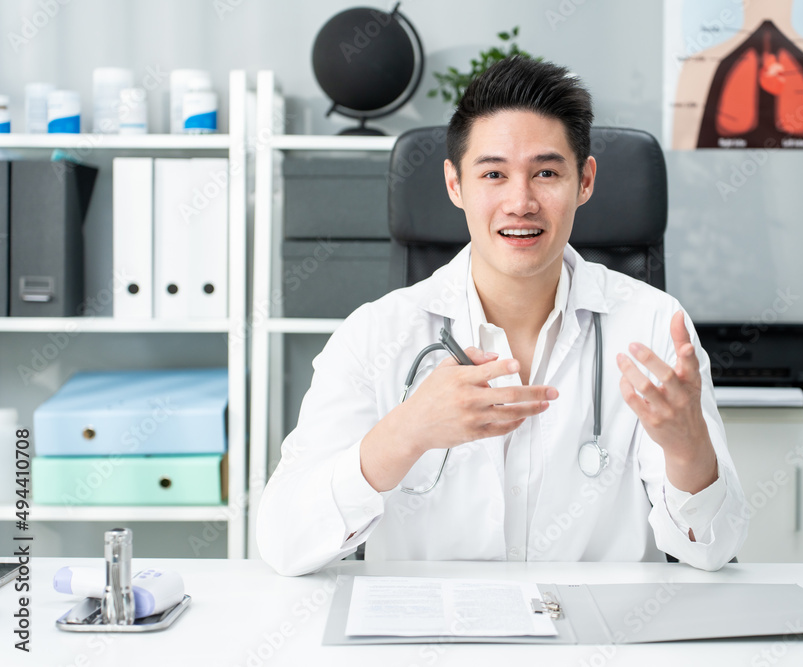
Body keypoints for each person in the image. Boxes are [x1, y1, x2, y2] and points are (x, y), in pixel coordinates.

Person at [257, 56, 748, 576]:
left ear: (584, 181)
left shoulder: (652, 326)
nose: (521, 201)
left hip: (596, 645)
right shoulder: (376, 335)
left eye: (546, 173)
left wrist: (688, 447)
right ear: (455, 184)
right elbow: (285, 544)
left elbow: (714, 549)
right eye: (493, 173)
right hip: (430, 644)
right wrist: (404, 434)